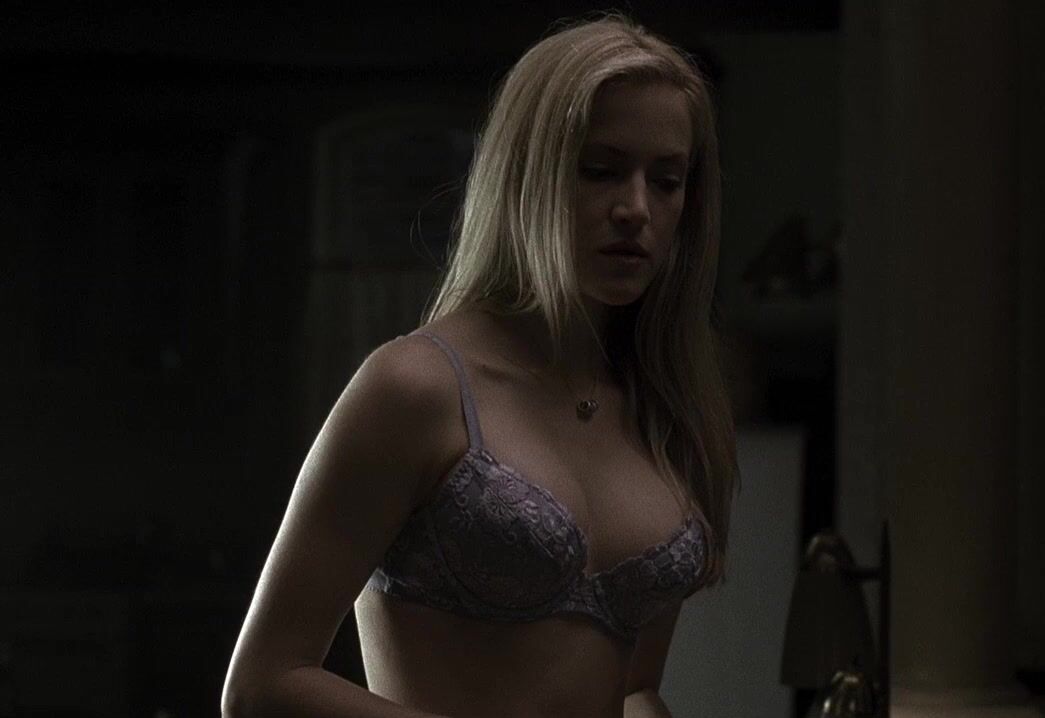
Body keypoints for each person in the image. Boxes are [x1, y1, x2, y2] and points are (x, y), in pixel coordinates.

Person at [222, 13, 738, 718]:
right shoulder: (415, 389)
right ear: (527, 176)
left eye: (667, 181)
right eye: (600, 171)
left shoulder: (668, 409)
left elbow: (635, 687)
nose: (635, 208)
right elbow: (263, 683)